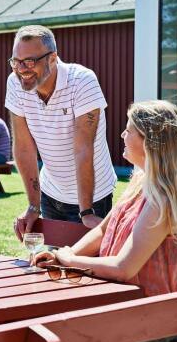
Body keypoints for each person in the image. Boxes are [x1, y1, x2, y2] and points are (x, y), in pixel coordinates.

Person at [35, 100, 177, 296]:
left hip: (155, 316)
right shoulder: (142, 183)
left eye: (129, 131)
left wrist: (70, 260)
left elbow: (123, 269)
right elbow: (103, 231)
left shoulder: (164, 200)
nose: (122, 135)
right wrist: (61, 257)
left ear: (151, 142)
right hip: (131, 304)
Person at [8, 25, 117, 237]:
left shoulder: (82, 81)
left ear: (52, 58)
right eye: (16, 62)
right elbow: (23, 148)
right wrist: (33, 206)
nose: (22, 69)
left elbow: (83, 149)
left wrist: (86, 211)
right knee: (52, 263)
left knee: (90, 268)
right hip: (51, 193)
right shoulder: (15, 83)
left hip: (94, 198)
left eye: (29, 61)